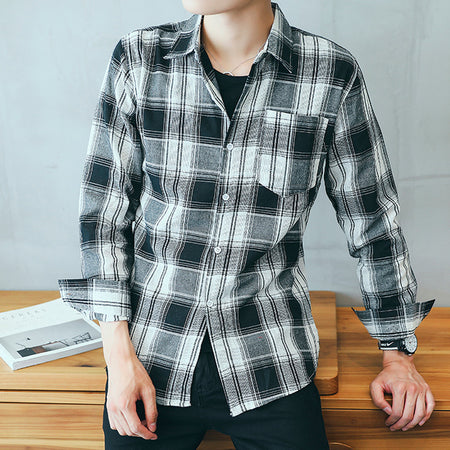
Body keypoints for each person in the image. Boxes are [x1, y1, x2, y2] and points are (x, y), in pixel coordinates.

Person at [58, 0, 436, 448]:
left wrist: (397, 355)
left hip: (270, 359)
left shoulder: (331, 72)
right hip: (149, 358)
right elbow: (103, 215)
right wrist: (119, 360)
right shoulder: (140, 58)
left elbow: (372, 221)